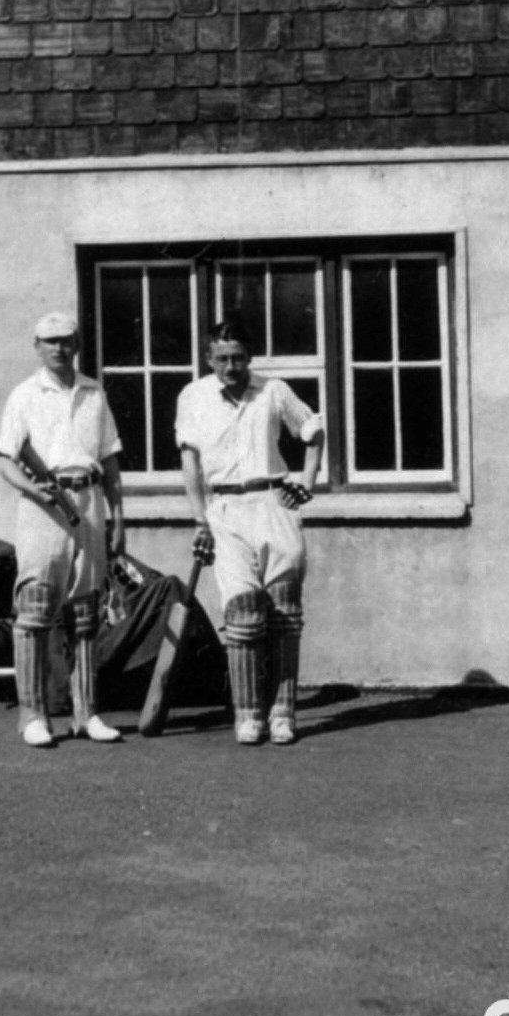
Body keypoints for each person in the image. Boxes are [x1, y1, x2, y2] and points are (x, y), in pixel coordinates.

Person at [175, 319, 325, 746]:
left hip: (273, 502)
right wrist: (199, 518)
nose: (231, 366)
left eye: (238, 357)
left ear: (250, 357)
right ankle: (248, 714)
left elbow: (313, 432)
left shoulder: (273, 391)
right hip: (224, 508)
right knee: (241, 614)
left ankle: (283, 714)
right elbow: (190, 463)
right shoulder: (194, 396)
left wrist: (306, 484)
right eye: (221, 358)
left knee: (284, 614)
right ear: (209, 360)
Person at [0, 311, 126, 748]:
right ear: (37, 346)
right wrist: (36, 492)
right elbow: (4, 459)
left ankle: (85, 714)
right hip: (43, 508)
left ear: (76, 344)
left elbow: (109, 462)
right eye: (49, 341)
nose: (58, 348)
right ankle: (33, 716)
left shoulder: (93, 392)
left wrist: (117, 518)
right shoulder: (24, 395)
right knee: (34, 608)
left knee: (85, 614)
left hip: (87, 503)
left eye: (66, 340)